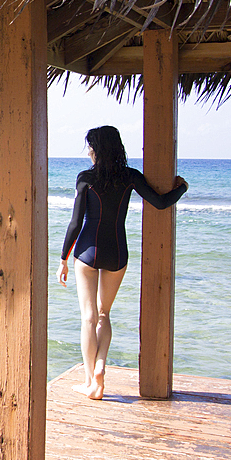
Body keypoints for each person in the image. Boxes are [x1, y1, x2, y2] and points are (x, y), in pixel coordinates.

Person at [56, 126, 188, 400]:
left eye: (90, 147)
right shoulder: (130, 177)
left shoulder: (85, 178)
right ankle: (101, 366)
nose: (89, 151)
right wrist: (182, 188)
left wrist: (63, 259)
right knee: (104, 314)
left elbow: (75, 223)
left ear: (96, 150)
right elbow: (161, 203)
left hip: (87, 253)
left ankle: (91, 381)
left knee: (88, 318)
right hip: (117, 252)